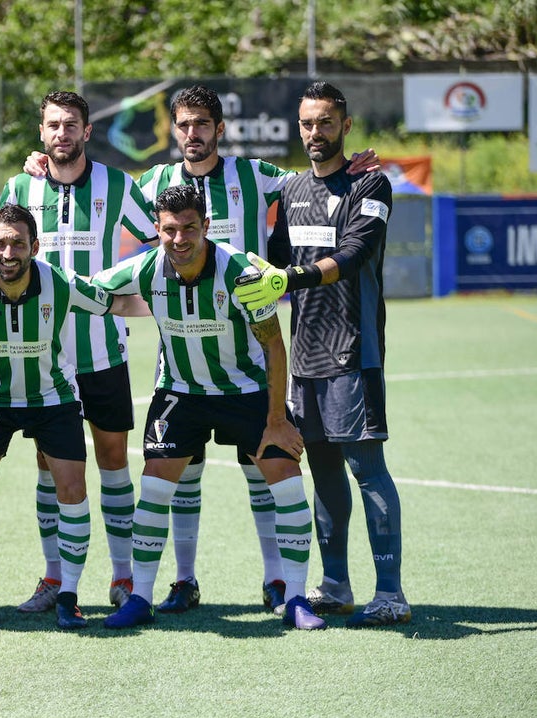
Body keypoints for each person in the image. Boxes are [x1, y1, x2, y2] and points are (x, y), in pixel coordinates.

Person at [25, 84, 378, 616]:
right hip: (181, 363)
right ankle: (182, 580)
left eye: (202, 124)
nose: (193, 134)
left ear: (219, 129)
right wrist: (40, 166)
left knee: (263, 473)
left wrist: (352, 167)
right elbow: (92, 194)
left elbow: (316, 176)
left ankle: (278, 582)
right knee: (180, 474)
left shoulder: (255, 175)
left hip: (250, 358)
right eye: (184, 125)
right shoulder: (152, 184)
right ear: (174, 131)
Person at [93, 185, 325, 630]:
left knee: (287, 484)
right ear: (157, 229)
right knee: (154, 488)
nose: (179, 239)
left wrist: (277, 419)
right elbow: (88, 289)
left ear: (206, 226)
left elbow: (275, 347)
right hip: (180, 393)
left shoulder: (241, 274)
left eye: (189, 228)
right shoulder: (145, 267)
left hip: (245, 391)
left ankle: (296, 598)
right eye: (169, 230)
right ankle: (141, 598)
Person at [236, 81, 408, 628]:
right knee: (324, 470)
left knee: (367, 468)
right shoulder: (291, 190)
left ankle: (391, 593)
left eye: (326, 122)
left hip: (354, 351)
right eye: (307, 123)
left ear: (345, 126)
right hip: (305, 355)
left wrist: (290, 278)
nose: (315, 132)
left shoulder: (370, 183)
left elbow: (355, 253)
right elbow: (274, 258)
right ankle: (335, 586)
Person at [0, 204, 137, 631]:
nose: (9, 253)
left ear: (35, 247)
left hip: (52, 398)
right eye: (0, 244)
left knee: (72, 490)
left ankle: (69, 596)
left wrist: (176, 306)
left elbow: (117, 303)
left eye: (18, 243)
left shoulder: (62, 282)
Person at [0, 91, 157, 614]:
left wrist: (129, 292)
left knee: (112, 461)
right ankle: (54, 577)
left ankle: (123, 577)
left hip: (102, 351)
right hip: (40, 358)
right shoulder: (20, 187)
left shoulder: (118, 185)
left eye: (71, 125)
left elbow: (159, 240)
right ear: (41, 132)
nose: (62, 133)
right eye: (53, 125)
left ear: (87, 131)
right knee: (48, 466)